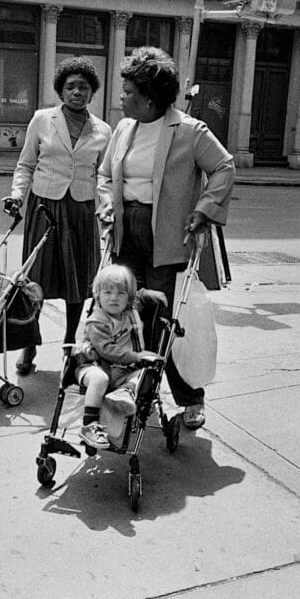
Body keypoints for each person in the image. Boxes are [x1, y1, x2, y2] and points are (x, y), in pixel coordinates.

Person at [97, 46, 235, 430]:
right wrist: (106, 205)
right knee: (126, 315)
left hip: (168, 238)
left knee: (165, 321)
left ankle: (190, 398)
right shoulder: (125, 128)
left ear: (149, 98)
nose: (121, 98)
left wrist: (204, 209)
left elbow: (223, 167)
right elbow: (105, 176)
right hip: (126, 233)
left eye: (127, 92)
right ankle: (132, 391)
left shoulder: (189, 131)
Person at [3, 56, 113, 375]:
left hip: (81, 210)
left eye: (83, 87)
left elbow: (104, 176)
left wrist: (107, 210)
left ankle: (69, 346)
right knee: (35, 280)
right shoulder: (41, 120)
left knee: (78, 281)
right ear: (60, 91)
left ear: (92, 93)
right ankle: (29, 344)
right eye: (70, 86)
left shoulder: (104, 130)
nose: (76, 92)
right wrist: (16, 196)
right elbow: (25, 164)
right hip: (45, 207)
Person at [74, 264, 164, 449]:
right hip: (94, 366)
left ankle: (123, 393)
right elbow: (108, 350)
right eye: (108, 292)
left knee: (147, 372)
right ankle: (89, 425)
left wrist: (146, 294)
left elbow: (137, 297)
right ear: (98, 295)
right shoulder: (97, 321)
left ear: (128, 298)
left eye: (121, 293)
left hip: (123, 370)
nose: (114, 298)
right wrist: (137, 356)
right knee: (99, 379)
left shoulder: (128, 312)